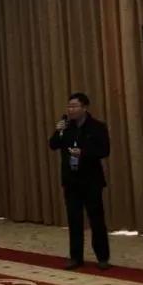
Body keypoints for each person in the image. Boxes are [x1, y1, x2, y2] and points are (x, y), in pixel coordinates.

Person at [49, 92, 111, 270]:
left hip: (91, 180)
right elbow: (53, 145)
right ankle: (76, 257)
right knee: (74, 220)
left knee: (96, 220)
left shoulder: (97, 127)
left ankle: (102, 257)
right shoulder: (65, 127)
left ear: (84, 108)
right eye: (69, 106)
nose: (71, 110)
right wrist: (58, 131)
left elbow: (104, 150)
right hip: (71, 181)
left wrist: (83, 153)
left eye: (74, 106)